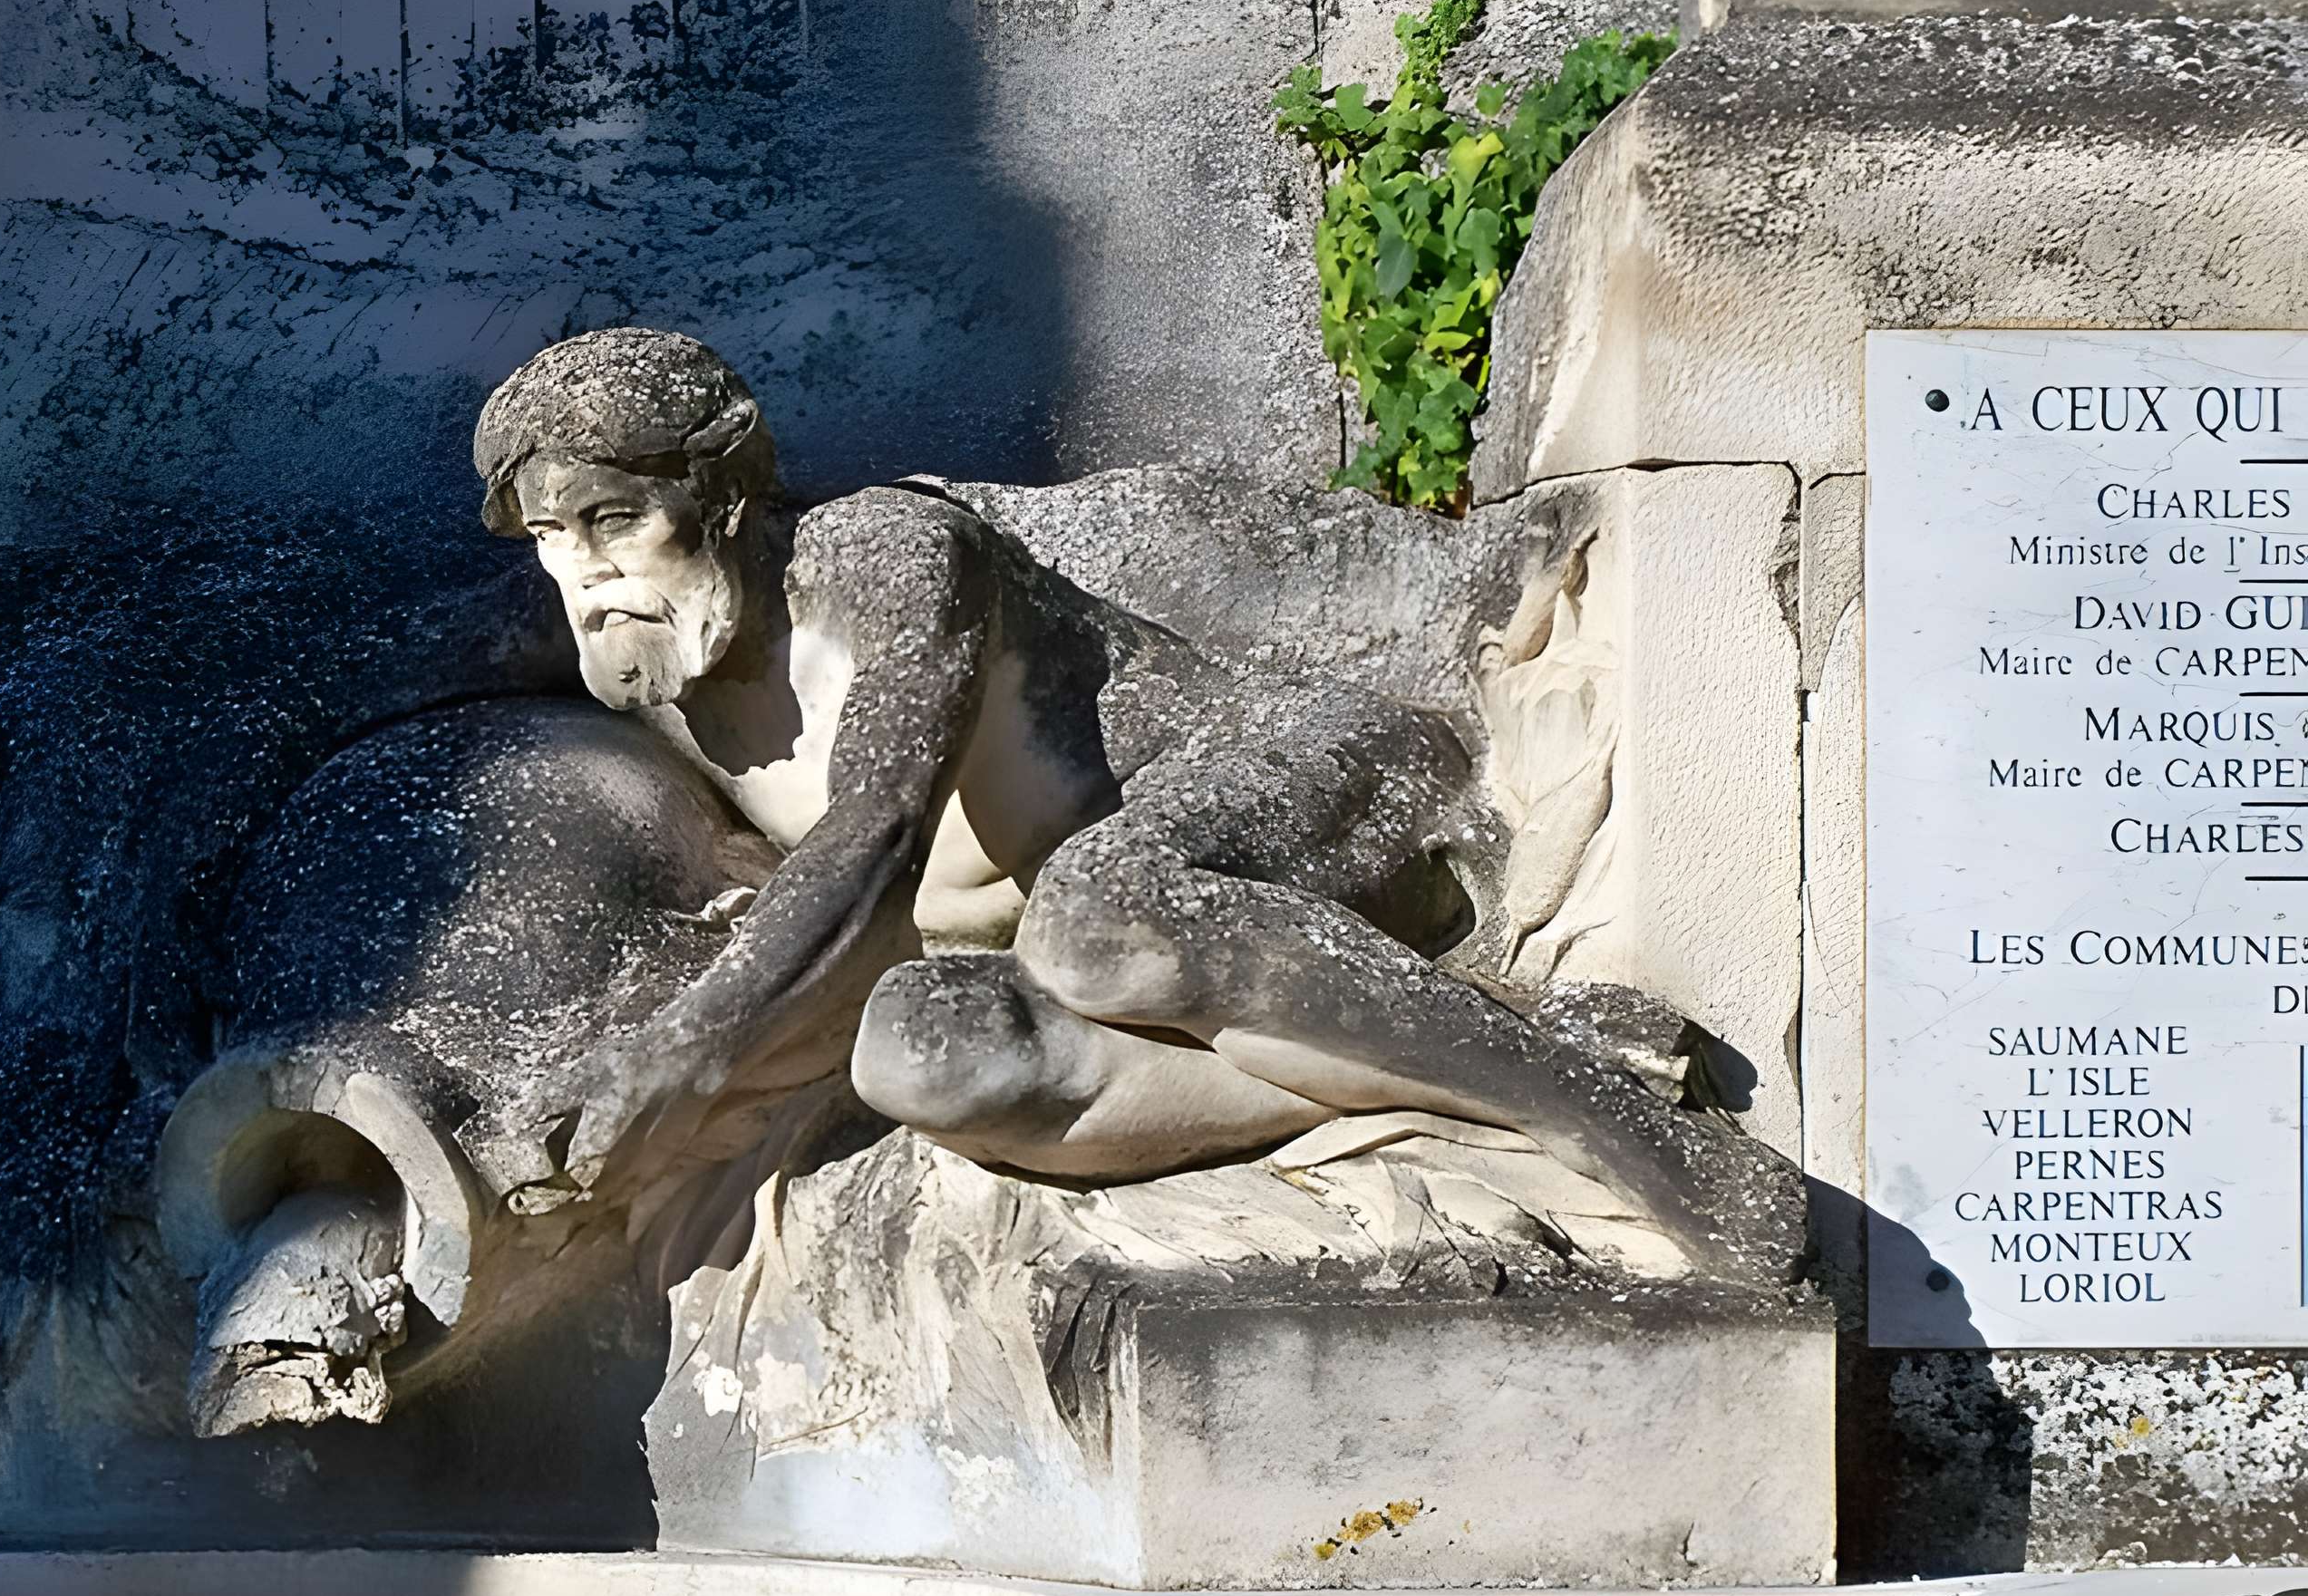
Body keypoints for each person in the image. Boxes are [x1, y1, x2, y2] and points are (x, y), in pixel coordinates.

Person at [472, 326, 1789, 1273]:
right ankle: (1467, 1050)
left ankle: (1595, 1110)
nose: (584, 572)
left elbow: (875, 836)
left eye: (612, 518)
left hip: (1310, 783)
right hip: (1107, 966)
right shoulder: (631, 659)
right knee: (918, 1057)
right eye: (549, 537)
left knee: (1097, 915)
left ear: (724, 492)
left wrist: (681, 1051)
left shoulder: (886, 552)